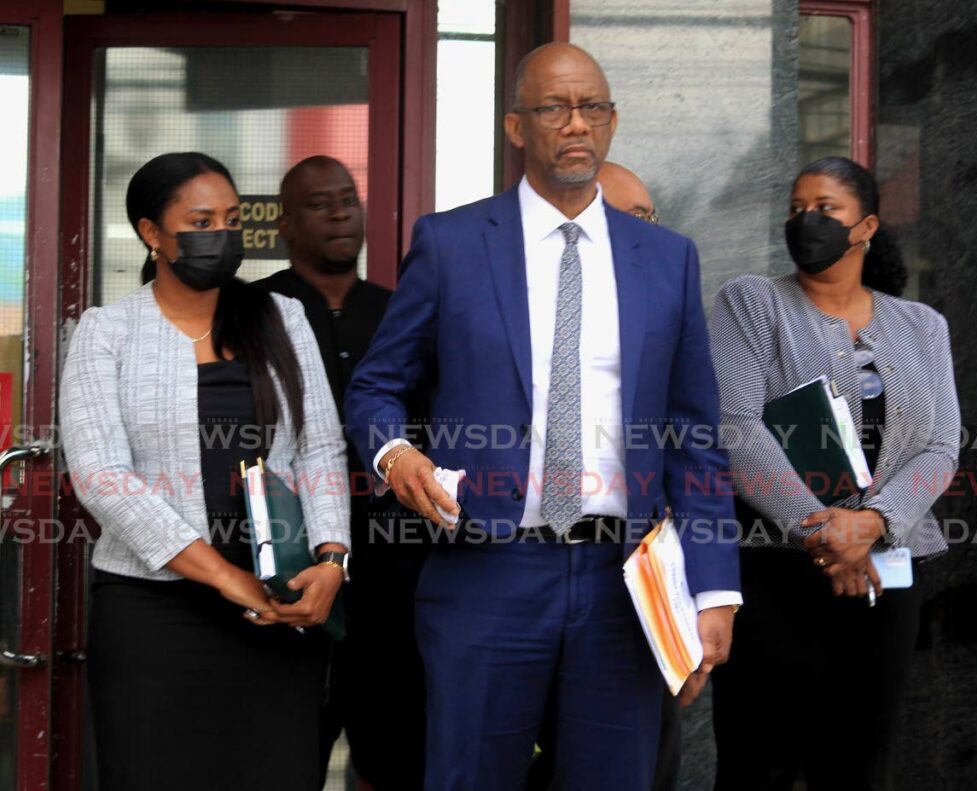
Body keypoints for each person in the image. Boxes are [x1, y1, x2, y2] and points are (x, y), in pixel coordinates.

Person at [345, 43, 741, 789]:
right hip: (488, 570)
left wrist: (714, 590)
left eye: (593, 108)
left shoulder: (667, 258)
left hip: (623, 580)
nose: (576, 125)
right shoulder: (453, 244)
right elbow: (374, 386)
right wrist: (397, 456)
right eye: (555, 108)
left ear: (613, 121)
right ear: (516, 127)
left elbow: (695, 437)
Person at [60, 152, 350, 791]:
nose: (221, 235)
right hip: (152, 614)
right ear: (152, 234)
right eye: (200, 221)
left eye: (232, 219)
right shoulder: (105, 333)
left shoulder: (283, 318)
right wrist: (224, 578)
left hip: (279, 606)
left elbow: (321, 450)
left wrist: (331, 562)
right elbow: (101, 474)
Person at [708, 156, 959, 790]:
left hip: (888, 571)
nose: (806, 221)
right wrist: (825, 534)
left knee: (858, 764)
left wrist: (873, 523)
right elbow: (736, 427)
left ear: (866, 226)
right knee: (758, 764)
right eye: (796, 209)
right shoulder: (754, 302)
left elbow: (942, 446)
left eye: (825, 208)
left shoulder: (922, 327)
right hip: (776, 573)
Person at [255, 155, 426, 790]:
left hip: (391, 569)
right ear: (284, 224)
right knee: (285, 750)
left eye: (348, 199)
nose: (339, 213)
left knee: (397, 751)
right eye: (320, 203)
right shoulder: (254, 312)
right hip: (290, 563)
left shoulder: (398, 310)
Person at [527, 160, 686, 791]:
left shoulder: (667, 310)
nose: (648, 230)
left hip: (639, 575)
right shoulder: (528, 312)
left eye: (651, 216)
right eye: (633, 217)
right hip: (522, 570)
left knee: (646, 763)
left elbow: (699, 441)